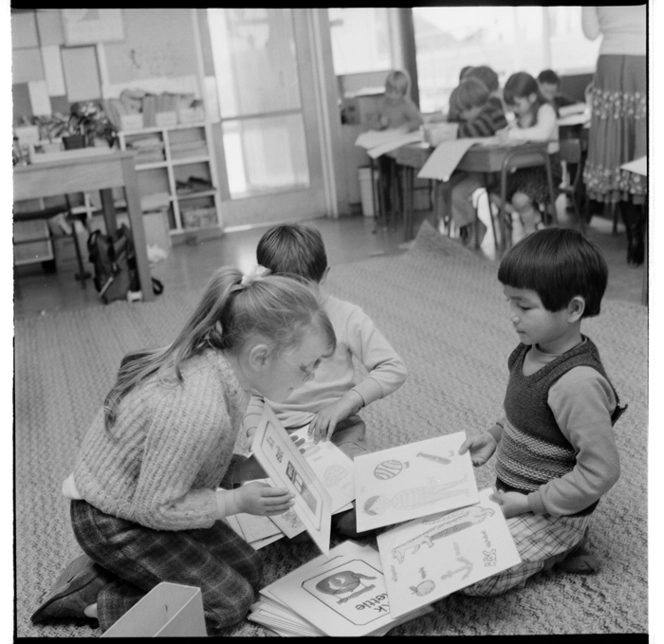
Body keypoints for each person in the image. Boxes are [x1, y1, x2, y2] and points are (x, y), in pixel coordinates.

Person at [30, 266, 337, 635]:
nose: (314, 376)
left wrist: (247, 470)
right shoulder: (199, 409)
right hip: (112, 521)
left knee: (251, 569)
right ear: (260, 357)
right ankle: (96, 596)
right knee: (231, 602)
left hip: (149, 499)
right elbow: (156, 508)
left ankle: (122, 570)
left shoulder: (228, 373)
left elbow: (201, 463)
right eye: (308, 366)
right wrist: (236, 503)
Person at [458, 227, 625, 595]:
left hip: (551, 514)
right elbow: (521, 411)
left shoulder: (576, 383)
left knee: (472, 577)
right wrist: (494, 435)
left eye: (524, 306)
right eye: (509, 302)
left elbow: (601, 471)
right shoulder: (530, 348)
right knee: (441, 532)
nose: (512, 316)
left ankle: (563, 547)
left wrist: (531, 503)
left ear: (573, 308)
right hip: (515, 495)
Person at [231, 224, 408, 538]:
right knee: (247, 494)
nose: (294, 300)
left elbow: (393, 368)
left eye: (302, 287)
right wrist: (257, 433)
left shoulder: (348, 316)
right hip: (279, 437)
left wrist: (345, 402)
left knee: (363, 484)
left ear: (324, 275)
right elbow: (250, 392)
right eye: (284, 289)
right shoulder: (264, 324)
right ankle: (314, 515)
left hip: (337, 431)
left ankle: (339, 514)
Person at [581, 6, 647, 266]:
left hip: (610, 63)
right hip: (647, 58)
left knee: (617, 153)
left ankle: (635, 238)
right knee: (646, 146)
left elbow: (590, 32)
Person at [496, 71, 562, 236]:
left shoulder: (545, 110)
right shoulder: (519, 119)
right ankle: (536, 217)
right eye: (510, 106)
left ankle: (531, 233)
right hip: (525, 170)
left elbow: (542, 134)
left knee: (520, 200)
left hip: (547, 170)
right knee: (496, 195)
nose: (513, 109)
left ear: (532, 97)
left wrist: (513, 135)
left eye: (517, 104)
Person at [446, 77, 509, 247]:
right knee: (444, 190)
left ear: (472, 107)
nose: (460, 116)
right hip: (475, 170)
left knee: (458, 194)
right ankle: (467, 226)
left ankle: (475, 227)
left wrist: (450, 130)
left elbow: (470, 130)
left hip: (494, 172)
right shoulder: (475, 115)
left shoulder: (492, 114)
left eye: (462, 112)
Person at [369, 69, 424, 221]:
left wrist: (406, 127)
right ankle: (385, 211)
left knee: (399, 179)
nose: (392, 96)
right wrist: (380, 123)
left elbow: (418, 120)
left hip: (400, 149)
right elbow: (372, 123)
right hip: (384, 149)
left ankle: (402, 210)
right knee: (384, 179)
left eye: (397, 93)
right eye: (389, 91)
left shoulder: (407, 105)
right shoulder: (381, 104)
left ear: (404, 92)